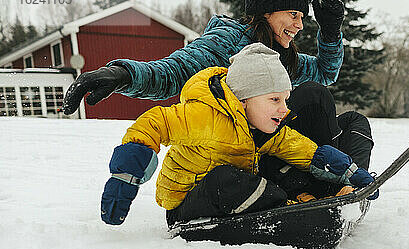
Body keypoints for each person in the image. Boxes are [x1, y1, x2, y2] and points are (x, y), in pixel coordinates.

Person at [61, 0, 374, 179]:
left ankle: (346, 183)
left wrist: (331, 33)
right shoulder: (228, 41)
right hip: (235, 155)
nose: (299, 25)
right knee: (312, 96)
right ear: (267, 12)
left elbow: (325, 73)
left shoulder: (285, 57)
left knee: (353, 123)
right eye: (293, 14)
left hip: (276, 146)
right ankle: (315, 186)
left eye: (303, 17)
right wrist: (122, 75)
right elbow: (174, 71)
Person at [100, 44, 377, 227]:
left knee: (261, 171)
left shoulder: (263, 127)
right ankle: (295, 212)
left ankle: (307, 203)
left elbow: (304, 149)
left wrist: (350, 172)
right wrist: (126, 178)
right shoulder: (205, 115)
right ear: (244, 99)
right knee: (225, 179)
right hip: (186, 206)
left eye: (285, 99)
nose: (284, 109)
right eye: (274, 100)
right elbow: (154, 122)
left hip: (230, 200)